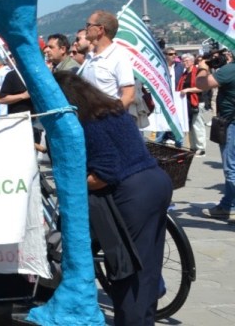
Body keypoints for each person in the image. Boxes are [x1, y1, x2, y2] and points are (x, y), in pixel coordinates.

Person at [54, 71, 172, 325]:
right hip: (155, 181)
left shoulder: (88, 122)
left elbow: (105, 174)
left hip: (133, 192)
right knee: (148, 268)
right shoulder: (110, 109)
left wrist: (71, 182)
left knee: (128, 271)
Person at [195, 56, 235, 220]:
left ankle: (228, 206)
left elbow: (201, 84)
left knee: (230, 168)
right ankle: (227, 205)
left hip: (231, 122)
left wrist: (203, 67)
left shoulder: (230, 69)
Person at [79, 11, 135, 109]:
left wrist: (111, 114)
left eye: (88, 25)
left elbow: (128, 96)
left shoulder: (119, 56)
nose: (85, 28)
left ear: (100, 29)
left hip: (108, 119)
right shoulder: (89, 56)